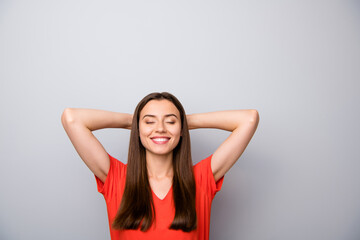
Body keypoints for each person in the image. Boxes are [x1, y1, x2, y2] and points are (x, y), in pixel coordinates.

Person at [61, 92, 259, 240]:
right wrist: (133, 121)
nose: (161, 128)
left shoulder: (201, 179)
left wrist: (184, 121)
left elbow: (249, 119)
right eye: (149, 122)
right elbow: (72, 118)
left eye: (170, 122)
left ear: (181, 129)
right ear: (138, 129)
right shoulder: (117, 177)